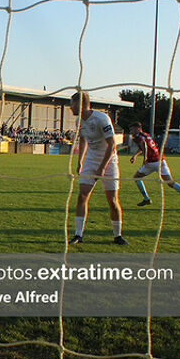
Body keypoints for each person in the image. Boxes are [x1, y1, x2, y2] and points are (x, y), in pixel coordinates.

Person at [68, 91, 127, 245]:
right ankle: (78, 235)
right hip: (90, 159)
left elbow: (112, 145)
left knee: (112, 200)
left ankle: (118, 236)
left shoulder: (102, 119)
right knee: (82, 195)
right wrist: (80, 161)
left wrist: (102, 167)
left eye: (72, 104)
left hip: (109, 160)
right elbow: (82, 140)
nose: (70, 108)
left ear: (80, 104)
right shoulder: (78, 122)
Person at [129, 122, 180, 211]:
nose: (131, 131)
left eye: (132, 129)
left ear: (138, 129)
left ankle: (146, 199)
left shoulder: (138, 137)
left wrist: (145, 158)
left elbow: (144, 146)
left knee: (136, 177)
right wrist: (135, 155)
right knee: (170, 182)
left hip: (151, 163)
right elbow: (143, 147)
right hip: (161, 161)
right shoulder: (146, 135)